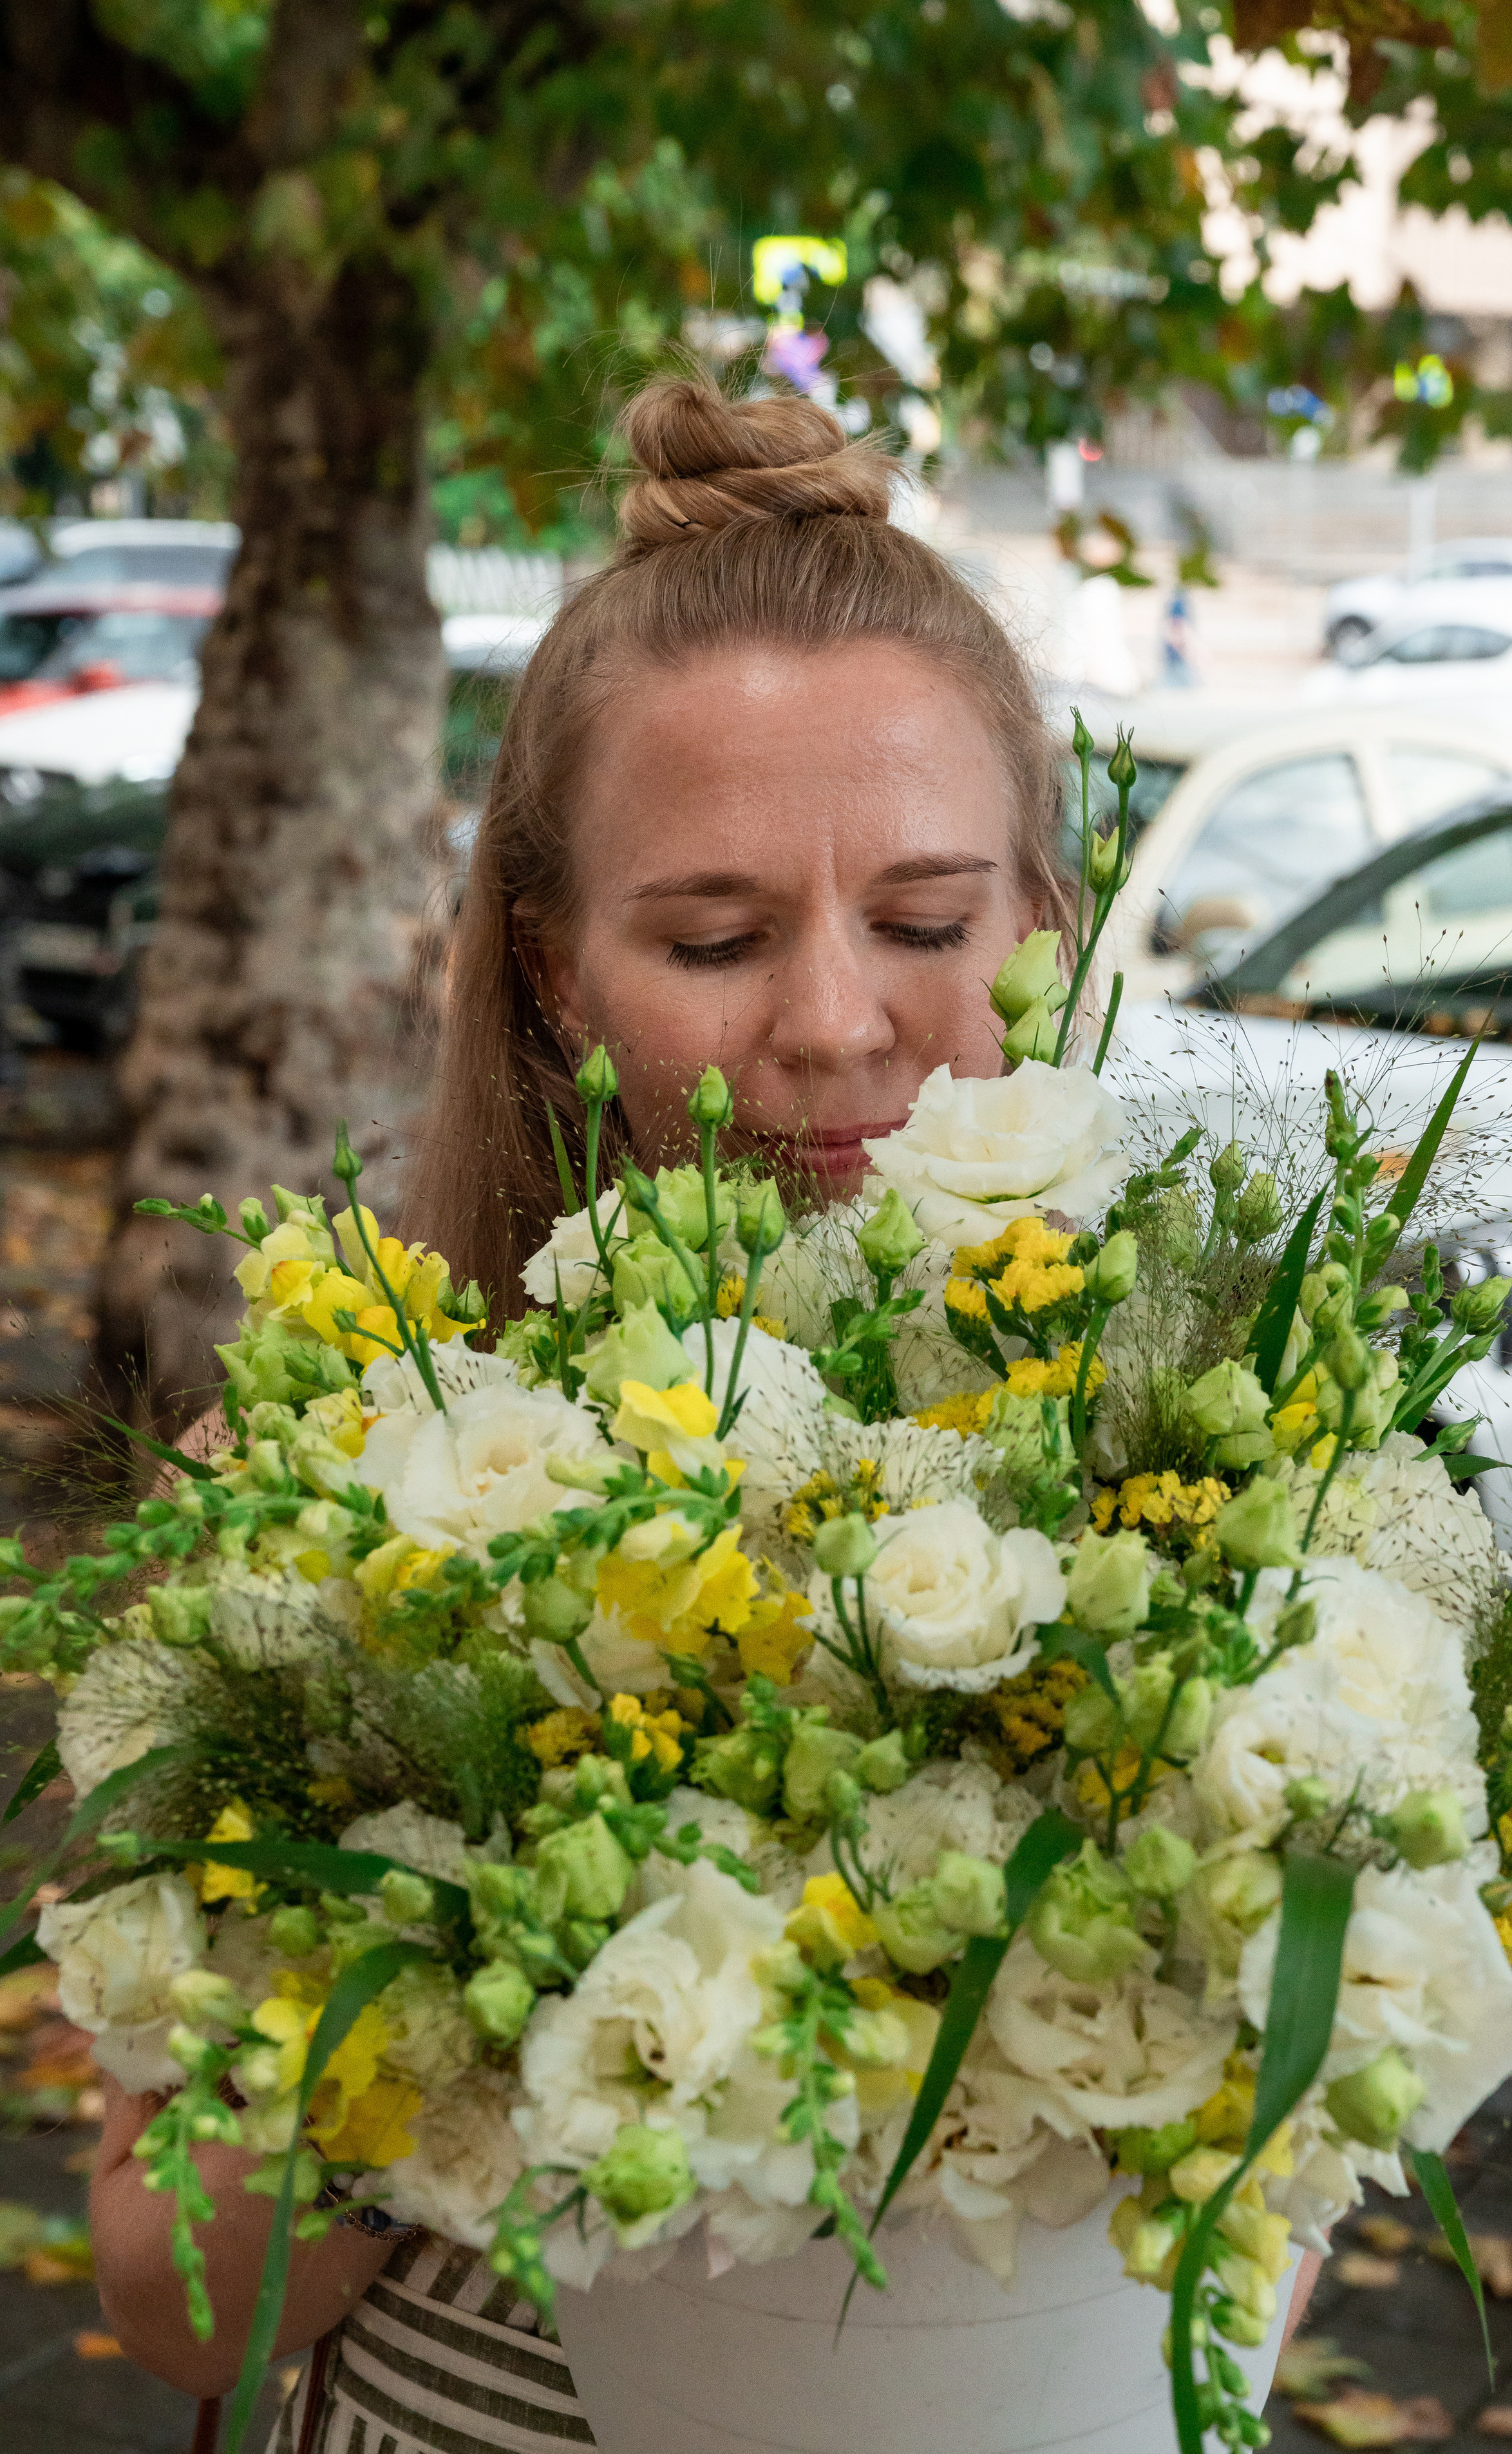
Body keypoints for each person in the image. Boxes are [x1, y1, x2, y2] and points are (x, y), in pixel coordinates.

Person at [89, 370, 1316, 2451]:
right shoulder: (318, 1487)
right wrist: (459, 1889)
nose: (836, 1023)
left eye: (924, 921)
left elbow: (1260, 2218)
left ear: (1042, 931)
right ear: (557, 971)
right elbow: (181, 2313)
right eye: (717, 936)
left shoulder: (1220, 1483)